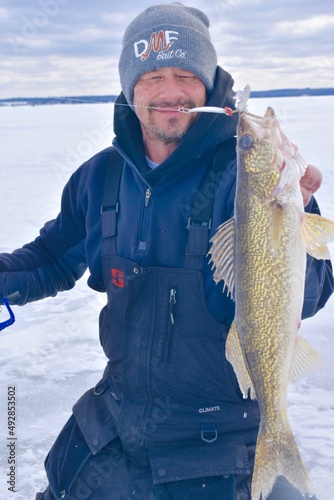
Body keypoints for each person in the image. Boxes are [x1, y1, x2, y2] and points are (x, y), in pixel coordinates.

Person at [0, 3, 332, 499]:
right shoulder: (100, 178)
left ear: (210, 83)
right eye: (152, 76)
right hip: (111, 432)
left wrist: (294, 218)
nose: (171, 92)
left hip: (221, 444)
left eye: (185, 75)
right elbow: (51, 257)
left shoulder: (242, 178)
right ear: (130, 86)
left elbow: (307, 294)